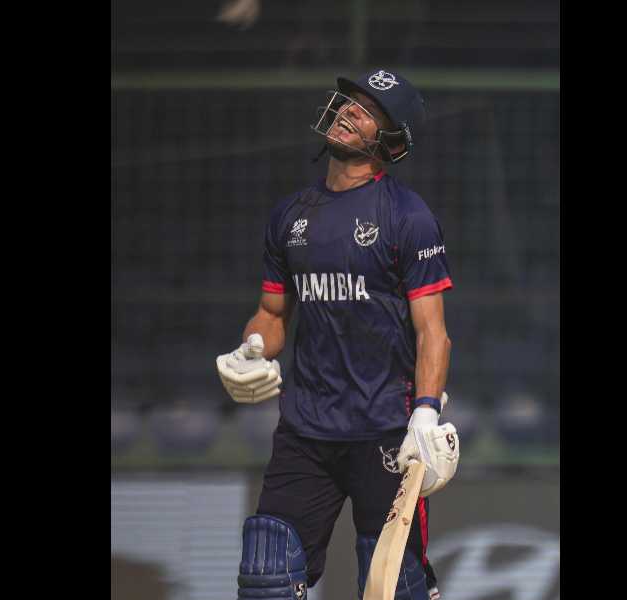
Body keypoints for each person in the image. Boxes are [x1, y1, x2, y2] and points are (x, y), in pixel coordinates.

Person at [216, 68, 459, 600]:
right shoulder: (291, 216)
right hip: (306, 430)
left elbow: (432, 333)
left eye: (369, 108)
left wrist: (423, 414)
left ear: (391, 140)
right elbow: (272, 315)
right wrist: (252, 347)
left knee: (393, 587)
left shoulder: (408, 217)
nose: (350, 109)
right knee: (266, 579)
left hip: (386, 435)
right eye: (349, 99)